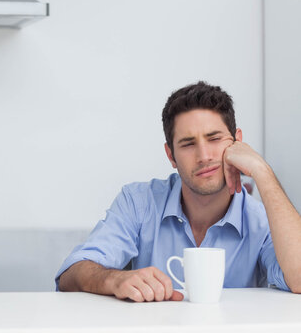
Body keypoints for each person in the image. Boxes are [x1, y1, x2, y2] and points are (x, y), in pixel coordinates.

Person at [56, 81, 301, 302]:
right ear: (171, 155)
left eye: (214, 138)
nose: (204, 157)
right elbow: (69, 276)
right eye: (188, 144)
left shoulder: (263, 221)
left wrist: (261, 170)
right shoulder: (139, 203)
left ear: (238, 142)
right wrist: (113, 279)